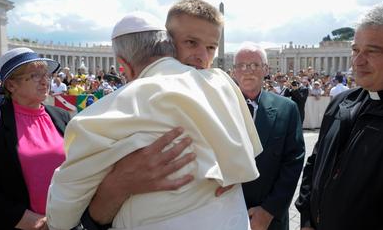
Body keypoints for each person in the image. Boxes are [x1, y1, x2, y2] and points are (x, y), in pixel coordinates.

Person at [46, 12, 262, 230]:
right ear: (171, 49)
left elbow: (60, 217)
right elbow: (249, 154)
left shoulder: (99, 117)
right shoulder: (222, 83)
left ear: (124, 65)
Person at [79, 0, 232, 229]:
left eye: (211, 47)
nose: (203, 56)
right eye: (191, 43)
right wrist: (120, 184)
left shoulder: (221, 98)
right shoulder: (124, 105)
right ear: (167, 46)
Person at [295, 2, 383, 230]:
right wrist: (306, 220)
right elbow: (315, 163)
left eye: (372, 51)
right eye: (355, 50)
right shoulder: (342, 102)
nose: (357, 61)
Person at [0, 47, 71, 230]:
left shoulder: (61, 116)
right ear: (11, 85)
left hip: (60, 224)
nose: (45, 81)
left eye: (47, 75)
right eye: (35, 75)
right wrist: (27, 220)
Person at [233, 43, 305, 230]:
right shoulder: (218, 108)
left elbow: (293, 161)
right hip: (226, 211)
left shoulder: (286, 108)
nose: (247, 71)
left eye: (255, 65)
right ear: (233, 72)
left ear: (266, 69)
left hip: (268, 217)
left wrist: (268, 211)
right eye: (241, 65)